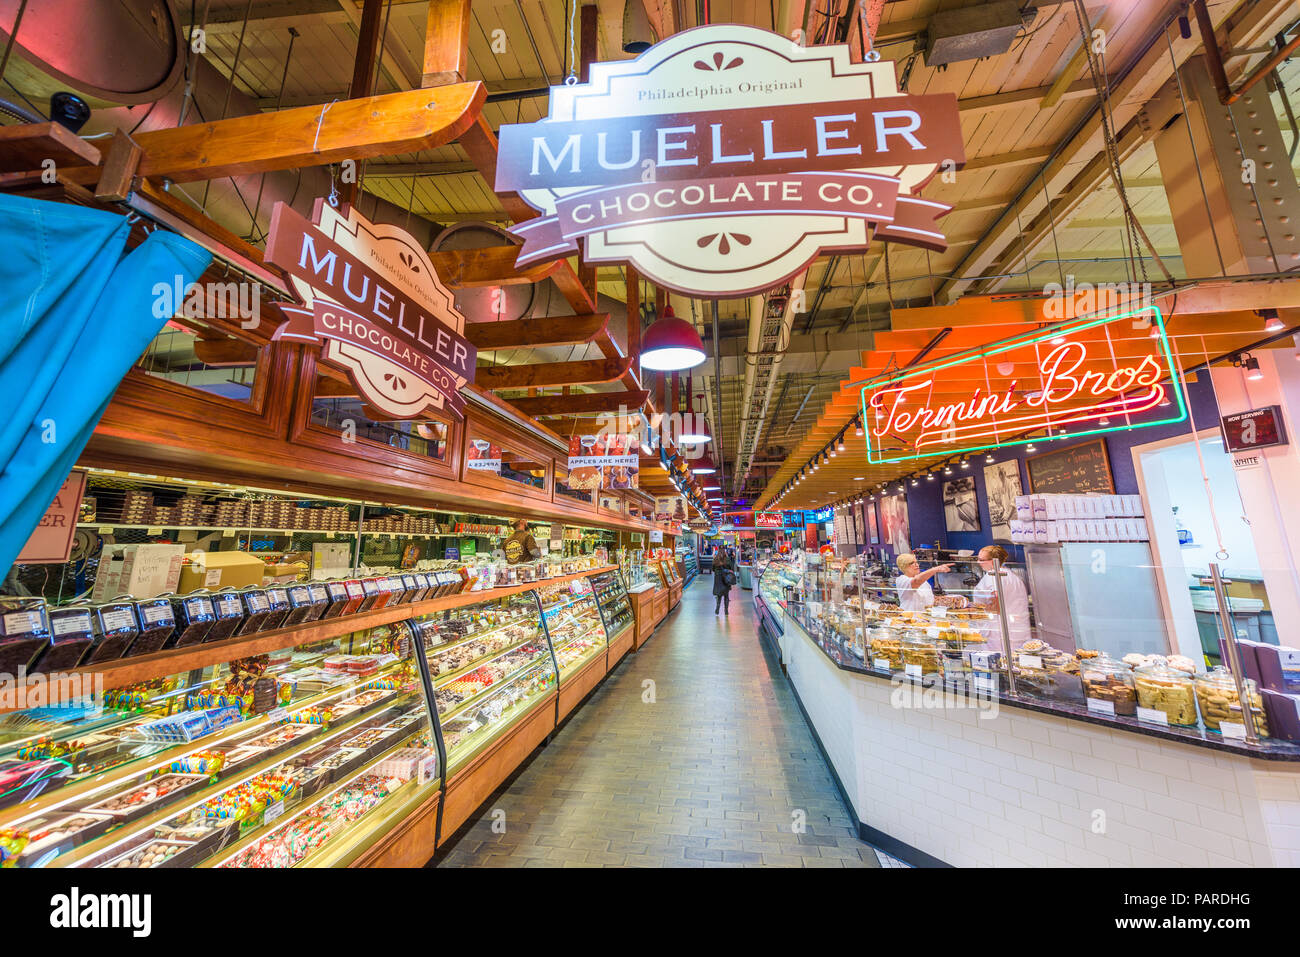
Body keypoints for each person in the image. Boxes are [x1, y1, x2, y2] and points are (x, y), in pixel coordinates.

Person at [971, 545, 1032, 651]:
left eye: (982, 560)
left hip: (999, 634)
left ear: (993, 561)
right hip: (1018, 630)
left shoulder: (992, 576)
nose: (978, 562)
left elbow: (996, 603)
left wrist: (973, 611)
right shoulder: (1012, 576)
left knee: (999, 664)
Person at [712, 545, 736, 614]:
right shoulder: (727, 559)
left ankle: (717, 608)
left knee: (719, 595)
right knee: (726, 595)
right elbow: (731, 568)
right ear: (725, 550)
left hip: (718, 579)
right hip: (726, 579)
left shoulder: (715, 558)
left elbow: (713, 569)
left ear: (718, 550)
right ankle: (726, 611)